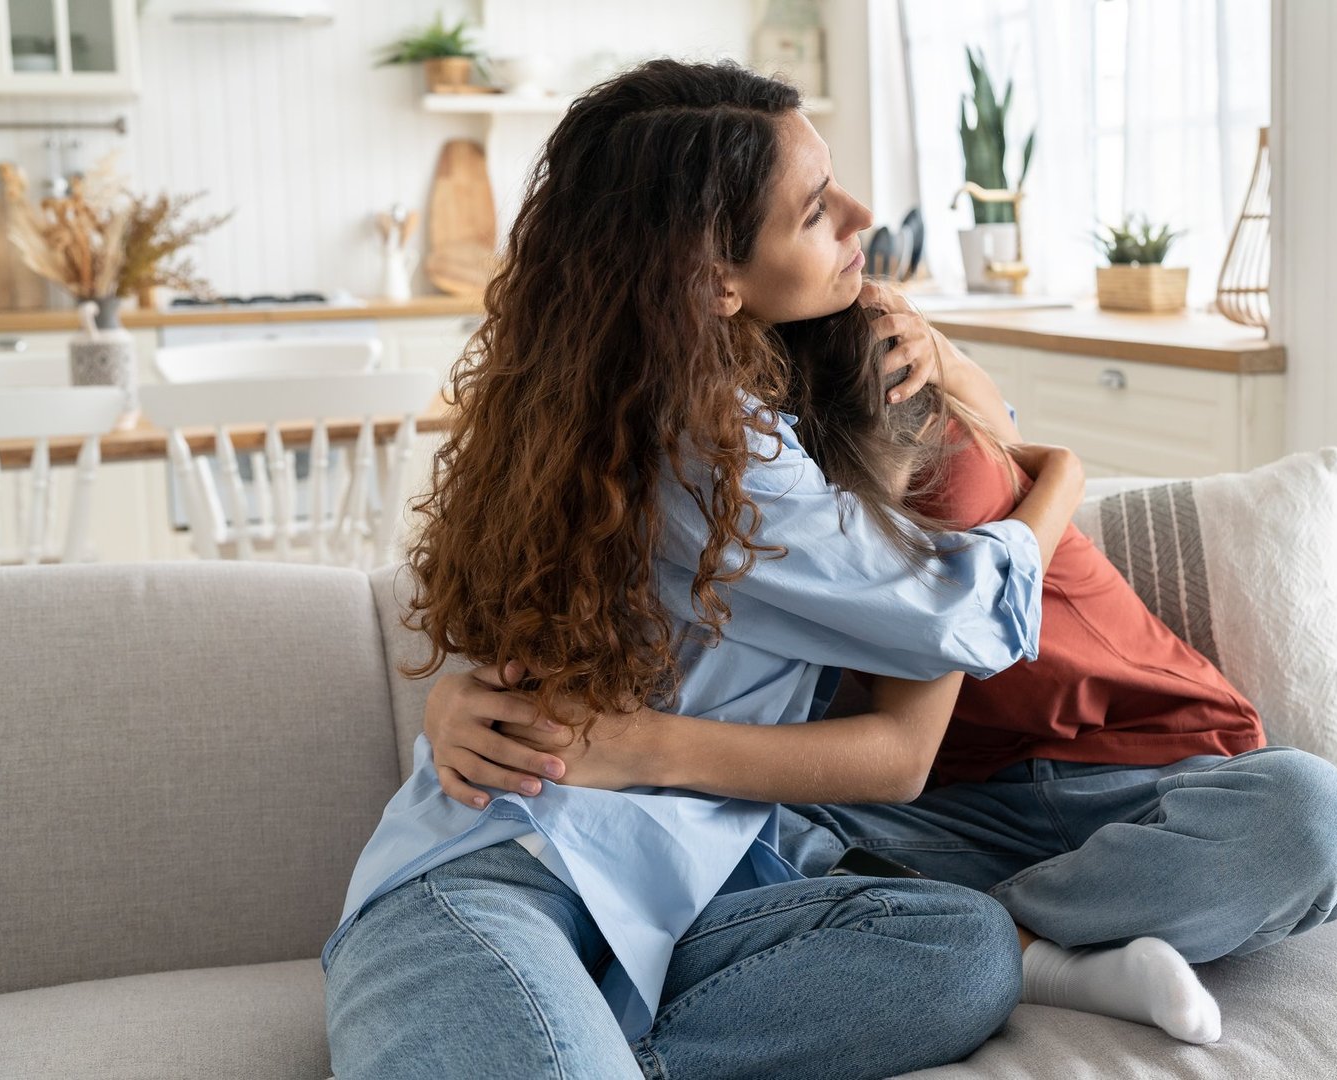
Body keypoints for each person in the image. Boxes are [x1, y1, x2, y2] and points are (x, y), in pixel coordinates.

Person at [323, 58, 1094, 1080]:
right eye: (816, 208)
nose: (861, 215)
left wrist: (945, 363)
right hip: (502, 880)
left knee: (959, 949)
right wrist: (1069, 475)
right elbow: (958, 609)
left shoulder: (633, 415)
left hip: (687, 902)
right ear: (712, 278)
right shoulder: (708, 448)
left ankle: (591, 1044)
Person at [429, 298, 1337, 1048]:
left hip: (1147, 773)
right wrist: (461, 700)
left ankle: (1018, 941)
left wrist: (1040, 460)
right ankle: (1033, 944)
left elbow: (931, 664)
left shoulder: (915, 434)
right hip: (927, 820)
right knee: (703, 842)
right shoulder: (726, 484)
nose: (852, 227)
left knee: (1308, 815)